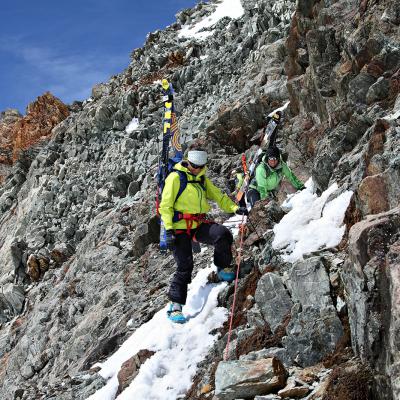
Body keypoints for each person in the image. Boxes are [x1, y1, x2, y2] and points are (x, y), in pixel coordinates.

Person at [159, 146, 248, 323]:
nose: (197, 169)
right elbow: (165, 206)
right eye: (194, 165)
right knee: (185, 265)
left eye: (200, 166)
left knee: (222, 234)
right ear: (188, 162)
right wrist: (168, 230)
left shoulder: (201, 179)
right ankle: (175, 306)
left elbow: (218, 195)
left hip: (197, 224)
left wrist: (235, 208)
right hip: (179, 228)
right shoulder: (175, 178)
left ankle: (222, 268)